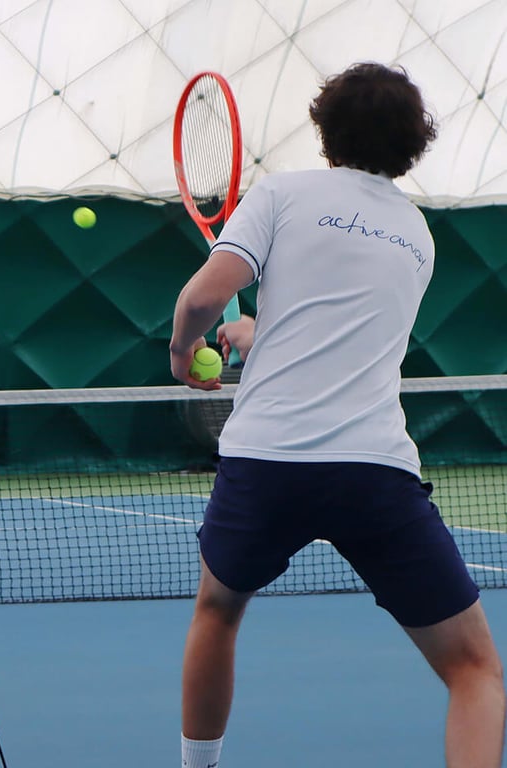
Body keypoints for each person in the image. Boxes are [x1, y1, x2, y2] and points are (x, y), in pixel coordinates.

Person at [170, 62, 504, 768]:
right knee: (475, 671)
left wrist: (182, 350)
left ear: (325, 125)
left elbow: (204, 295)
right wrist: (261, 332)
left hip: (267, 465)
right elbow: (347, 336)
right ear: (414, 143)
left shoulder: (282, 194)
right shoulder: (420, 236)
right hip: (373, 474)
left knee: (217, 612)